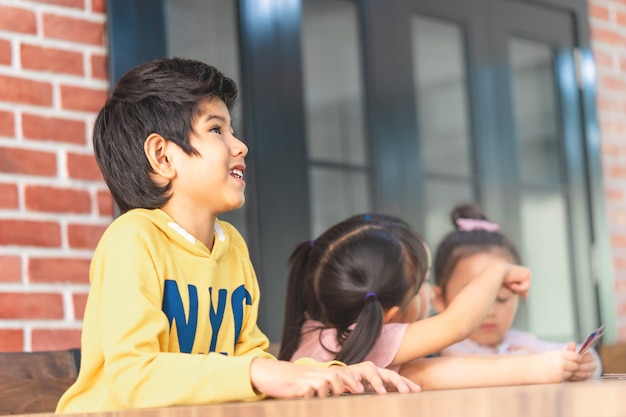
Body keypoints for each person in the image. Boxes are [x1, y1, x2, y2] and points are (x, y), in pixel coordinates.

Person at [55, 58, 420, 413]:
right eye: (216, 130)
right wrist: (255, 372)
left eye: (232, 130)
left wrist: (336, 375)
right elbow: (133, 376)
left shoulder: (230, 246)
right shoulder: (132, 240)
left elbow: (248, 358)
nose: (240, 145)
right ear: (163, 157)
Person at [279, 213, 533, 370]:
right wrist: (497, 270)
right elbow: (457, 324)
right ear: (390, 315)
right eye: (422, 282)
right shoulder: (363, 338)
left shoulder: (319, 330)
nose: (429, 292)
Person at [431, 202, 601, 381]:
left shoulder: (524, 343)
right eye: (476, 300)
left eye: (503, 299)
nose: (489, 311)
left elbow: (584, 353)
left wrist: (584, 364)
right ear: (440, 299)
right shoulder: (446, 352)